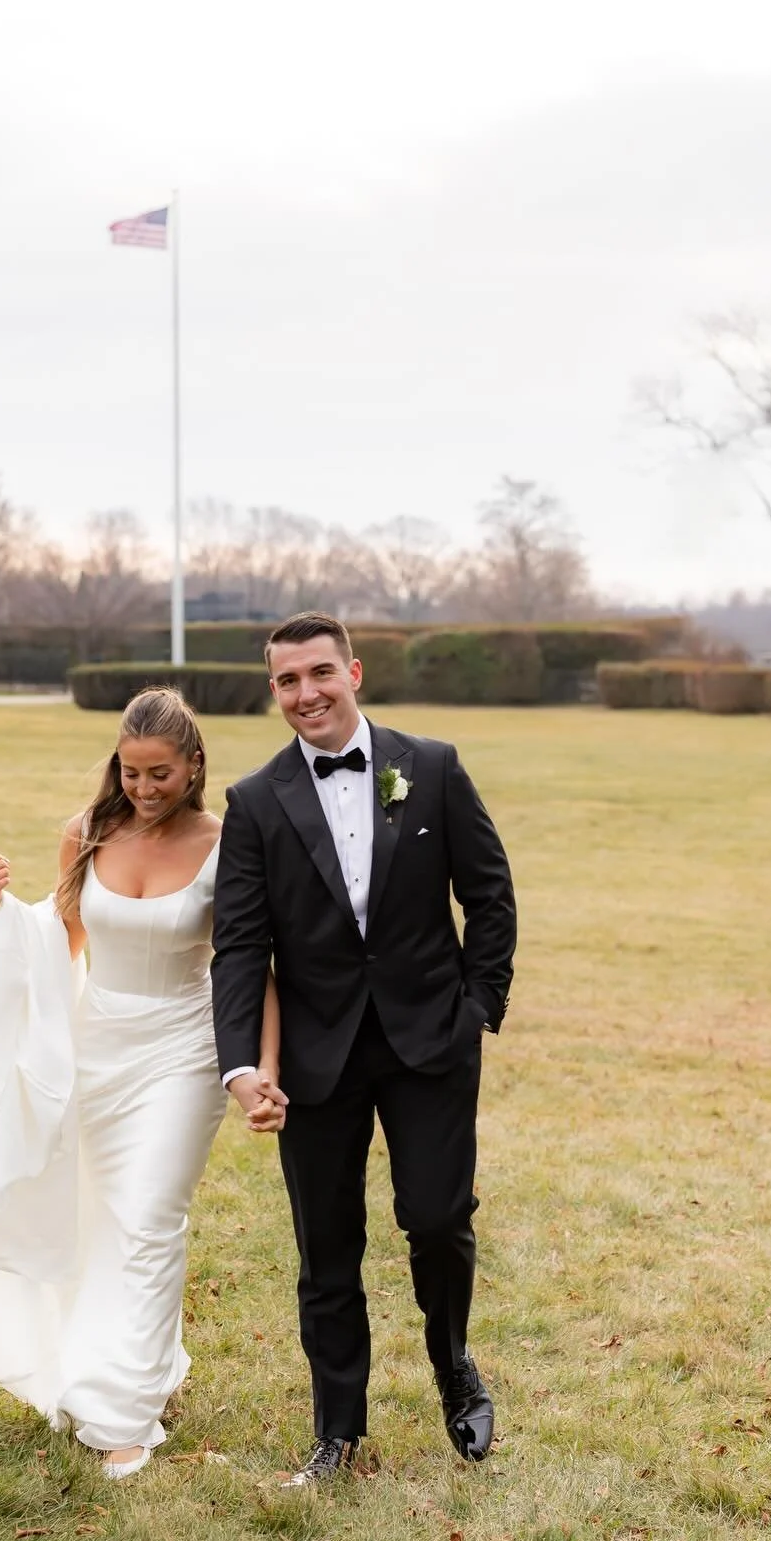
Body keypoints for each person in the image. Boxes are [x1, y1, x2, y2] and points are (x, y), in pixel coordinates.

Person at [0, 687, 283, 1479]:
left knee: (151, 1217)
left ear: (194, 766)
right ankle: (128, 1364)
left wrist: (260, 1070)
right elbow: (62, 938)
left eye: (161, 774)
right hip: (97, 1046)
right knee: (99, 1220)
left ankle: (122, 1416)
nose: (145, 789)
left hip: (183, 1047)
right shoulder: (86, 834)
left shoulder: (229, 843)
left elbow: (254, 966)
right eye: (132, 771)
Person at [211, 612, 517, 1485]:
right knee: (327, 1248)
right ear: (272, 690)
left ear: (354, 672)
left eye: (319, 674)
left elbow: (489, 897)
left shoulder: (434, 767)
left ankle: (454, 1367)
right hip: (315, 1058)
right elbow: (240, 948)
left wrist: (478, 1010)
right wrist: (244, 1067)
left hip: (431, 1040)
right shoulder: (256, 802)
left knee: (436, 1218)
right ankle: (337, 1431)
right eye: (286, 681)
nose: (305, 694)